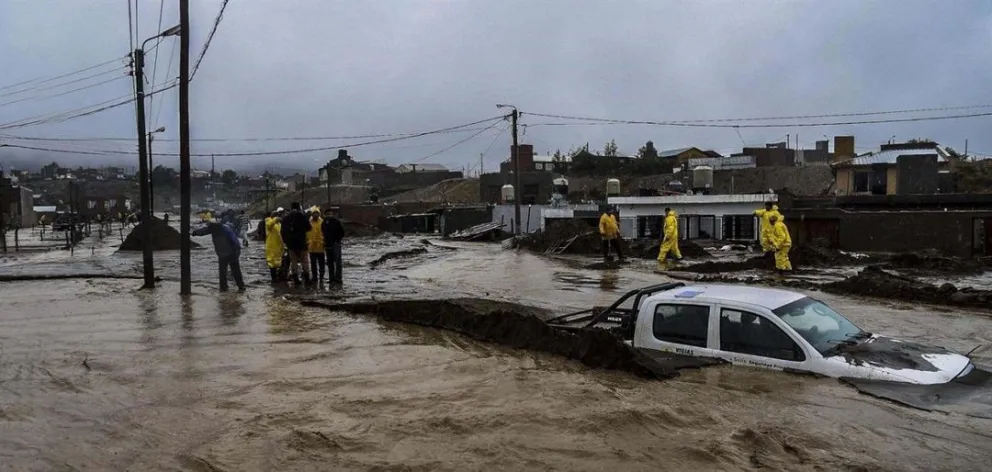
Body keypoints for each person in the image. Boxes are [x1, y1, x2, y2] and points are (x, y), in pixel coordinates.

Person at [192, 220, 246, 292]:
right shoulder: (222, 228)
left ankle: (224, 287)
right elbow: (235, 240)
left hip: (226, 253)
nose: (209, 228)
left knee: (224, 271)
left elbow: (204, 231)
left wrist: (194, 232)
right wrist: (194, 232)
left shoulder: (220, 229)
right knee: (234, 270)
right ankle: (240, 286)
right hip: (229, 253)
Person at [280, 202, 312, 285]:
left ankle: (295, 278)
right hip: (302, 243)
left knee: (293, 261)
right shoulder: (302, 216)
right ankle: (307, 278)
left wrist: (286, 241)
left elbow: (282, 231)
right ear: (299, 207)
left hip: (291, 244)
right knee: (304, 261)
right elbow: (309, 228)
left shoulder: (286, 218)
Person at [321, 206, 345, 284]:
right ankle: (332, 278)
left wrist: (337, 241)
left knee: (338, 262)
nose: (329, 215)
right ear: (325, 215)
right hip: (328, 245)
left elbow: (342, 233)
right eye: (327, 214)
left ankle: (338, 278)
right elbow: (323, 233)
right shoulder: (323, 223)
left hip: (335, 244)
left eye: (330, 214)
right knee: (330, 263)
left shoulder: (336, 222)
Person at [306, 208, 325, 286]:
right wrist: (307, 242)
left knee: (322, 263)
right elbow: (306, 233)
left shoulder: (322, 222)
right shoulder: (309, 223)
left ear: (319, 214)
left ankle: (321, 276)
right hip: (311, 247)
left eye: (317, 213)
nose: (315, 215)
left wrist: (324, 242)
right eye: (314, 213)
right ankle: (314, 277)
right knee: (313, 264)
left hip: (321, 246)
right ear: (312, 214)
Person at [264, 209, 285, 283]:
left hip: (279, 246)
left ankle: (279, 277)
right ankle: (274, 279)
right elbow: (269, 225)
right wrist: (275, 219)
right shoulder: (268, 221)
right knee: (272, 263)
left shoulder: (279, 224)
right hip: (271, 246)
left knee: (278, 262)